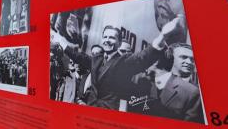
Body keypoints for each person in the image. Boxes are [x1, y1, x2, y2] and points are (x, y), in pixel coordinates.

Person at [51, 16, 184, 110]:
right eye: (105, 37)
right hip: (90, 110)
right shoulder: (97, 59)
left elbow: (144, 57)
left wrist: (163, 35)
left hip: (108, 115)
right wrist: (59, 39)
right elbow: (78, 56)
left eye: (112, 38)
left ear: (119, 42)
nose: (107, 40)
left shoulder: (124, 62)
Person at [131, 43, 204, 123]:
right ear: (171, 58)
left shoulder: (196, 92)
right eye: (183, 57)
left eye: (192, 59)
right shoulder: (144, 80)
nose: (189, 62)